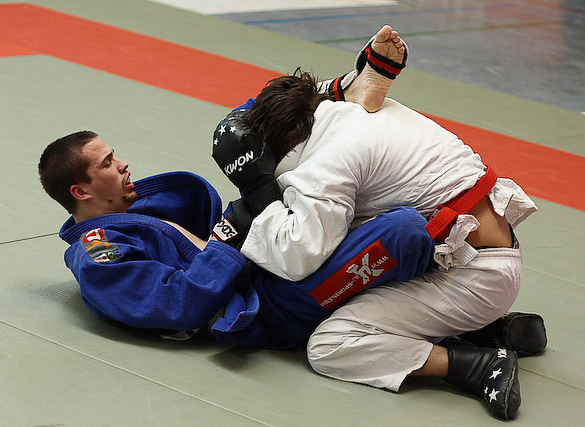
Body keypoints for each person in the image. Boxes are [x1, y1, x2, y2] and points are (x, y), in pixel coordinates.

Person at [211, 25, 545, 420]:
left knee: (330, 344)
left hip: (471, 279)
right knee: (368, 235)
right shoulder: (349, 108)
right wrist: (354, 79)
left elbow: (298, 258)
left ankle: (471, 362)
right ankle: (490, 329)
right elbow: (278, 100)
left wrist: (258, 190)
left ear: (285, 141)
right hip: (486, 251)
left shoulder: (325, 166)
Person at [38, 130, 434, 350]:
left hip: (267, 261)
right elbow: (178, 303)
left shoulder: (138, 210)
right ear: (81, 192)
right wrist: (228, 236)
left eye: (115, 155)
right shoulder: (99, 256)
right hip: (272, 304)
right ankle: (457, 347)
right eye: (108, 163)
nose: (123, 164)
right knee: (404, 231)